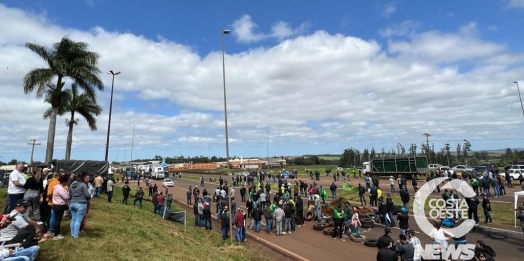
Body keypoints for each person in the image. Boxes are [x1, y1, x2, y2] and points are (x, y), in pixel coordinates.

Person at [69, 172, 91, 238]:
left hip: (72, 203)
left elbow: (70, 193)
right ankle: (76, 235)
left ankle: (72, 234)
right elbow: (87, 195)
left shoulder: (72, 184)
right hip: (81, 204)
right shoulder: (83, 185)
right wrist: (89, 197)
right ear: (83, 177)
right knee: (78, 220)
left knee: (73, 219)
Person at [51, 174, 69, 240]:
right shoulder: (60, 188)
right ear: (64, 181)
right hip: (59, 205)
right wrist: (67, 191)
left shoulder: (56, 187)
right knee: (58, 220)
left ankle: (57, 232)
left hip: (55, 205)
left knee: (57, 220)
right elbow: (66, 196)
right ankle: (56, 235)